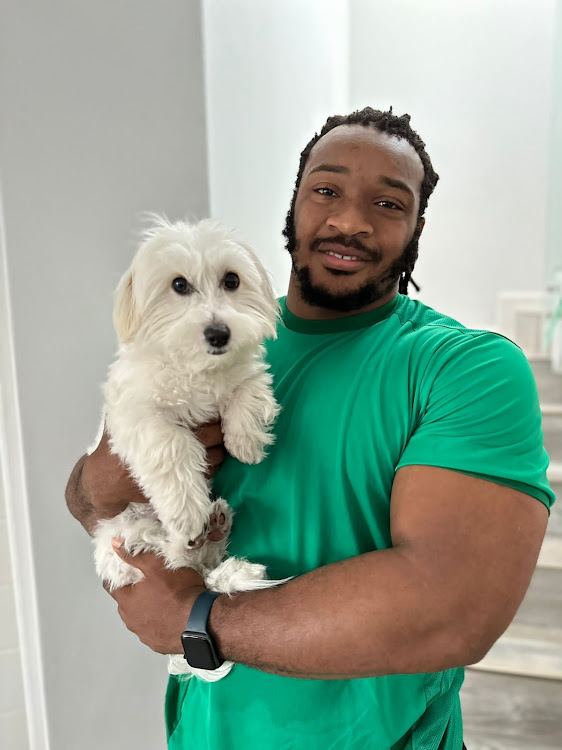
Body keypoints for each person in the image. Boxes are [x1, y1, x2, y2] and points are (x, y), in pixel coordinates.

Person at [65, 107, 554, 750]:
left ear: (416, 227)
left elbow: (452, 610)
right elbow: (87, 497)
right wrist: (106, 475)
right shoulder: (210, 338)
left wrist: (197, 619)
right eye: (327, 190)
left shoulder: (465, 367)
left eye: (387, 202)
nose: (350, 220)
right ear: (293, 204)